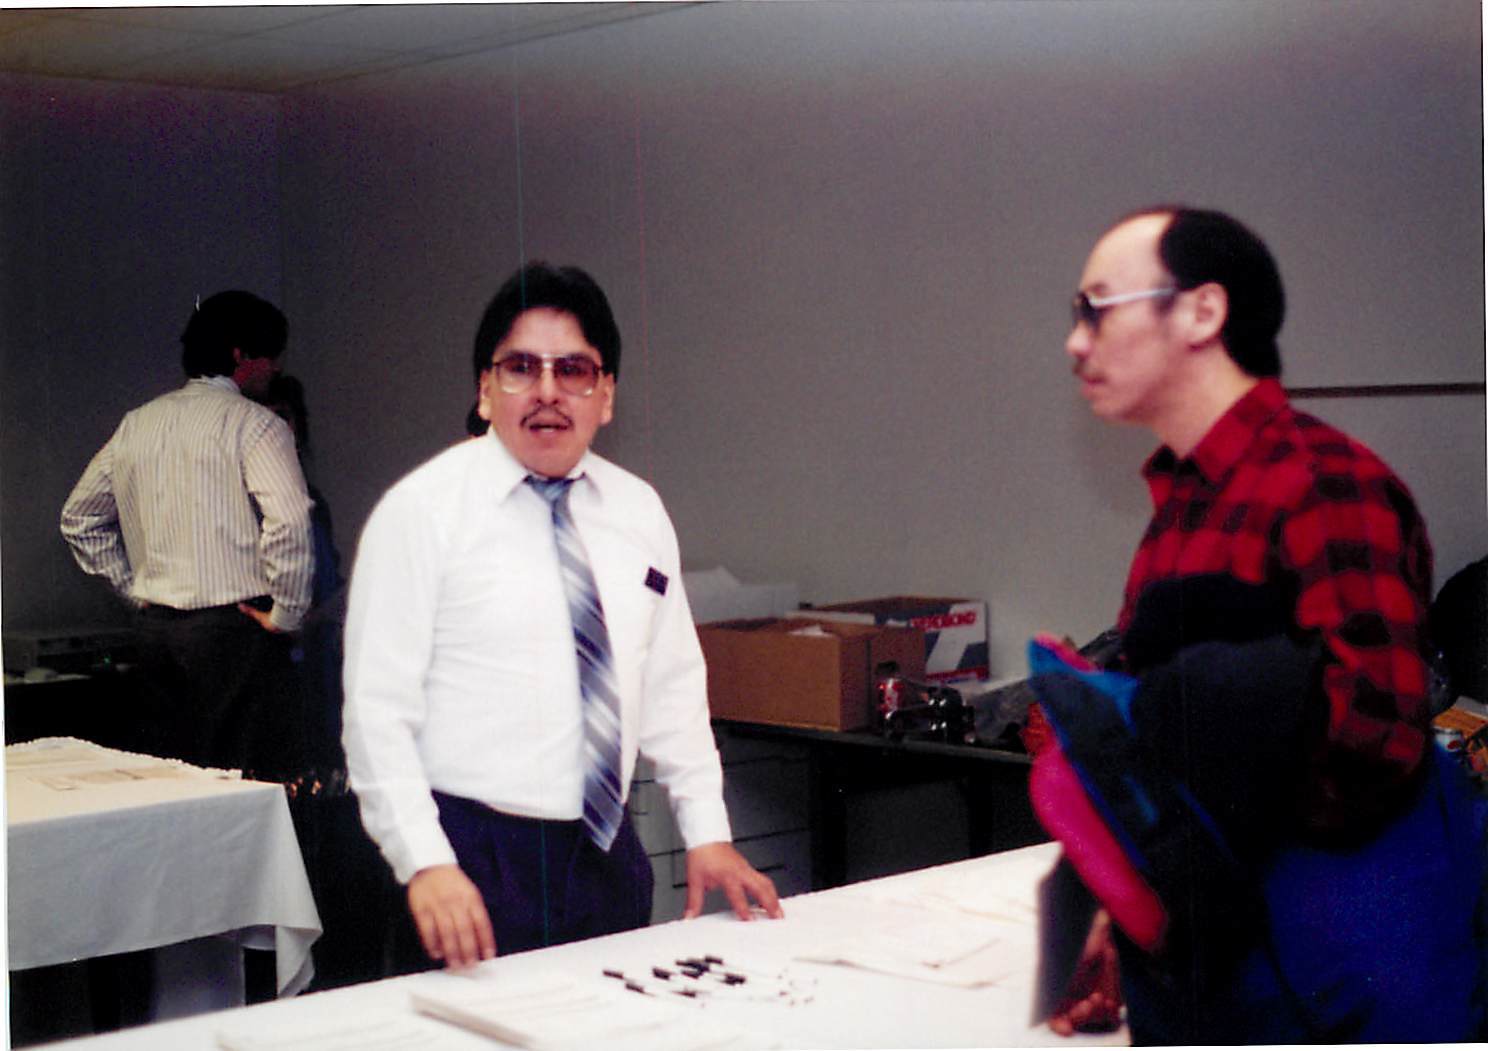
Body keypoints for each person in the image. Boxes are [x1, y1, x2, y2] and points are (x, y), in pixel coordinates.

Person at [1038, 206, 1486, 1042]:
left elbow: (1373, 735)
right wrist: (1122, 908)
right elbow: (1158, 751)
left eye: (1097, 308)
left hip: (1333, 978)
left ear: (1202, 312)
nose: (1075, 341)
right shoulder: (1184, 510)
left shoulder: (1322, 482)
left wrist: (1197, 868)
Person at [342, 262, 782, 970]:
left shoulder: (638, 511)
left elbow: (671, 685)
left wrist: (707, 832)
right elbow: (376, 714)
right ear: (485, 390)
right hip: (469, 862)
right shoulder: (420, 513)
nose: (547, 391)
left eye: (573, 370)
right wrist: (425, 861)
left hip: (606, 855)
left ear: (605, 396)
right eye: (521, 368)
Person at [60, 290, 315, 775]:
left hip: (155, 634)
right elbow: (289, 521)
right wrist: (287, 612)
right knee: (245, 778)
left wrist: (134, 589)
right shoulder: (256, 424)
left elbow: (79, 517)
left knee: (172, 775)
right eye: (271, 355)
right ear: (241, 355)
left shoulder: (137, 424)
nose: (277, 367)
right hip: (231, 632)